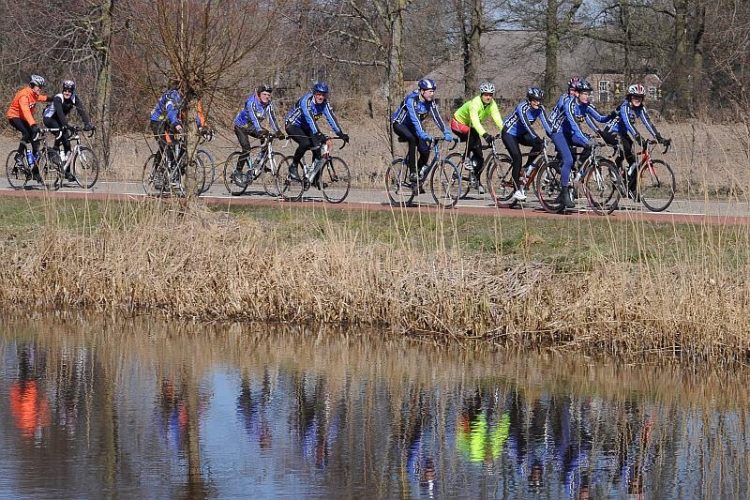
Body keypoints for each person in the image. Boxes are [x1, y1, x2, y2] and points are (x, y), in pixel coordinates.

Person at [548, 79, 611, 208]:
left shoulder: (585, 105)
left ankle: (578, 169)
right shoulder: (568, 103)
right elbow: (575, 126)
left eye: (588, 94)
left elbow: (600, 118)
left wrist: (614, 114)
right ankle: (564, 193)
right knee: (568, 160)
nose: (587, 96)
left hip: (569, 132)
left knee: (591, 144)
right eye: (584, 94)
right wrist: (585, 140)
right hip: (558, 132)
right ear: (577, 94)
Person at [600, 84, 669, 198]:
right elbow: (628, 124)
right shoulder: (625, 107)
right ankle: (613, 171)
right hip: (611, 131)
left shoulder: (640, 108)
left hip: (622, 133)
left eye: (640, 97)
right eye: (635, 97)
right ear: (630, 97)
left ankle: (630, 189)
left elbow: (648, 123)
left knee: (634, 162)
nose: (637, 99)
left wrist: (659, 137)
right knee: (625, 147)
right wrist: (638, 138)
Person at [392, 79, 453, 188]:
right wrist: (422, 133)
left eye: (433, 91)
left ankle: (418, 175)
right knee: (412, 139)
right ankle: (412, 173)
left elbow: (437, 118)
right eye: (430, 91)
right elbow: (415, 119)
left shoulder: (431, 102)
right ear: (422, 91)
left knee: (425, 149)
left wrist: (446, 131)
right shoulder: (411, 100)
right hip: (400, 124)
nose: (432, 94)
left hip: (413, 127)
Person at [285, 82, 349, 182]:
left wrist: (340, 133)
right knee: (305, 143)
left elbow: (331, 118)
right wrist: (318, 133)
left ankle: (314, 178)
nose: (321, 97)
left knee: (317, 147)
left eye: (323, 95)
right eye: (319, 94)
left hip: (307, 127)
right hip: (293, 124)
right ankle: (293, 166)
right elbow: (309, 118)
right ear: (314, 93)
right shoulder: (306, 101)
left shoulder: (325, 104)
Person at [450, 82, 504, 194]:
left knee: (479, 155)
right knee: (472, 133)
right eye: (486, 94)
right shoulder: (475, 103)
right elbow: (475, 122)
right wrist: (485, 134)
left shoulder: (492, 104)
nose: (488, 97)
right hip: (458, 123)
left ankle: (476, 180)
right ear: (481, 94)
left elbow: (497, 118)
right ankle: (465, 159)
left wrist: (504, 130)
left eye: (490, 94)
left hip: (471, 126)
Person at [501, 87, 552, 202]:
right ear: (529, 99)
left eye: (539, 100)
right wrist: (536, 137)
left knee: (539, 146)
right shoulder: (522, 107)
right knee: (517, 158)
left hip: (522, 134)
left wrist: (554, 137)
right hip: (509, 133)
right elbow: (526, 125)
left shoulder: (540, 108)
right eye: (534, 100)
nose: (537, 103)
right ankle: (516, 190)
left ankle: (526, 168)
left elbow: (547, 125)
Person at [42, 80, 94, 181]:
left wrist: (88, 123)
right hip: (49, 118)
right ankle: (54, 155)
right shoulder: (58, 98)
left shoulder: (74, 98)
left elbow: (82, 111)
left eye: (69, 91)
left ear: (72, 91)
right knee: (61, 132)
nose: (67, 92)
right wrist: (68, 125)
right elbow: (60, 114)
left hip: (59, 120)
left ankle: (66, 171)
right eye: (65, 90)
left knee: (67, 144)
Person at [149, 80, 209, 165]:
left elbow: (192, 115)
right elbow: (171, 111)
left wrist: (199, 126)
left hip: (169, 121)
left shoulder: (187, 99)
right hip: (157, 121)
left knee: (179, 144)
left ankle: (175, 167)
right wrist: (176, 124)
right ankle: (159, 171)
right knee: (166, 146)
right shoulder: (172, 96)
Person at [6, 74, 52, 180]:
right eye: (39, 87)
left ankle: (35, 172)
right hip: (14, 116)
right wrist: (33, 125)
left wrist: (52, 98)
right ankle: (18, 155)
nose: (40, 89)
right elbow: (26, 111)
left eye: (41, 87)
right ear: (32, 85)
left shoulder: (34, 94)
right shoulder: (24, 95)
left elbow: (41, 98)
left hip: (24, 118)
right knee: (26, 133)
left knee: (35, 142)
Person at [233, 84, 283, 179]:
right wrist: (259, 130)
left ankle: (259, 163)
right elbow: (254, 118)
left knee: (269, 137)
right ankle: (237, 171)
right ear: (258, 94)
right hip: (241, 126)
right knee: (246, 148)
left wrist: (278, 131)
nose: (267, 97)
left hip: (253, 127)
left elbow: (272, 118)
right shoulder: (251, 102)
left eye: (268, 95)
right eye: (264, 94)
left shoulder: (268, 104)